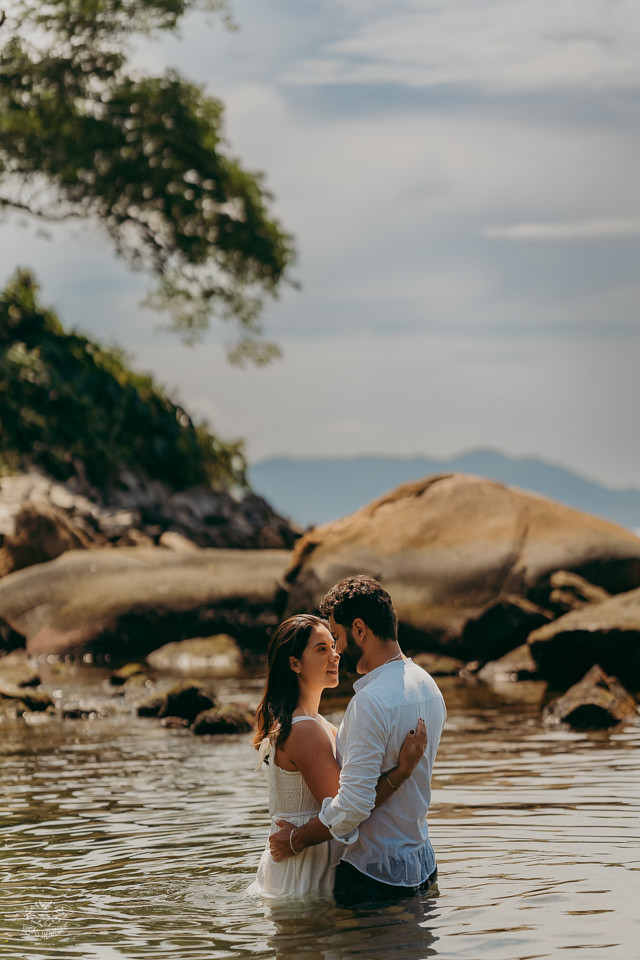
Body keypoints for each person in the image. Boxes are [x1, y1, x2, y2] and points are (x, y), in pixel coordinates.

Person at [269, 576, 447, 909]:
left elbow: (352, 806)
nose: (336, 650)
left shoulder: (371, 701)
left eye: (335, 637)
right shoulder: (428, 686)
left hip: (373, 875)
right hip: (422, 863)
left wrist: (295, 840)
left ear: (360, 630)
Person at [247, 612, 427, 899]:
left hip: (308, 862)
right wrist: (401, 772)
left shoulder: (319, 724)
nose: (335, 655)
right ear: (294, 663)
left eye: (333, 646)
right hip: (302, 872)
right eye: (321, 649)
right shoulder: (306, 730)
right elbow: (349, 809)